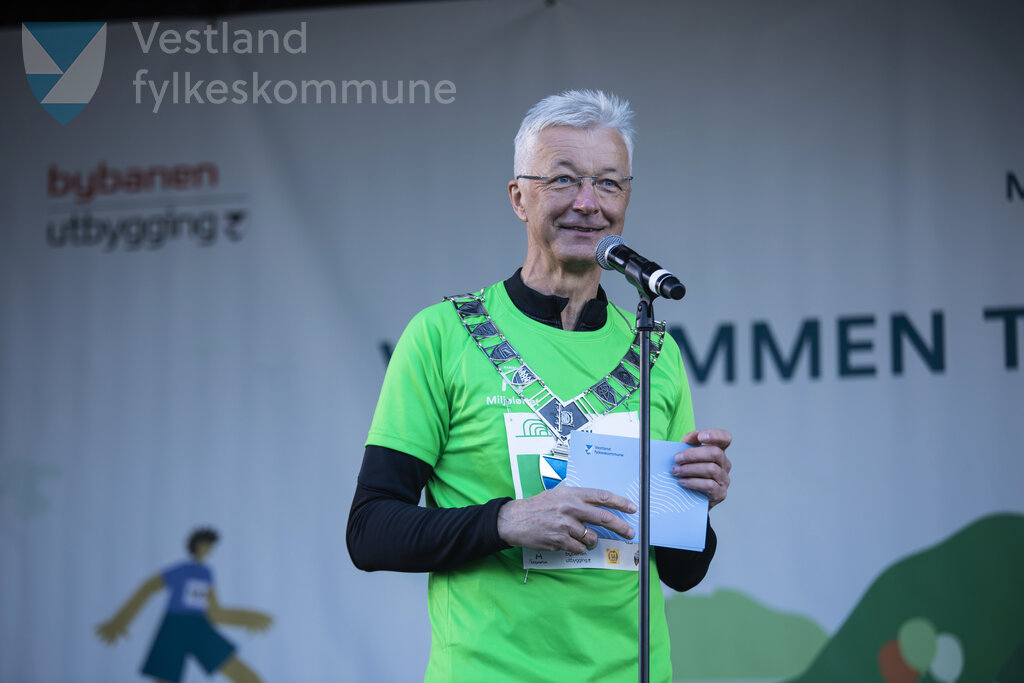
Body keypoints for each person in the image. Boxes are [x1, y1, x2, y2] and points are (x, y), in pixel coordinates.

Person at [347, 89, 732, 682]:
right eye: (563, 180)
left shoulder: (655, 348)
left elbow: (683, 571)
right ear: (518, 197)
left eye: (608, 183)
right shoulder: (442, 335)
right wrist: (505, 522)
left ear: (626, 199)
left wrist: (698, 501)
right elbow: (370, 531)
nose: (587, 203)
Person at [96, 527, 273, 683]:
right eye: (204, 544)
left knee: (249, 679)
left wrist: (251, 618)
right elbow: (148, 587)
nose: (207, 549)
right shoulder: (181, 570)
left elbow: (216, 613)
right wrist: (120, 622)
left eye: (210, 545)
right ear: (195, 545)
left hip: (199, 627)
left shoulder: (206, 573)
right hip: (173, 629)